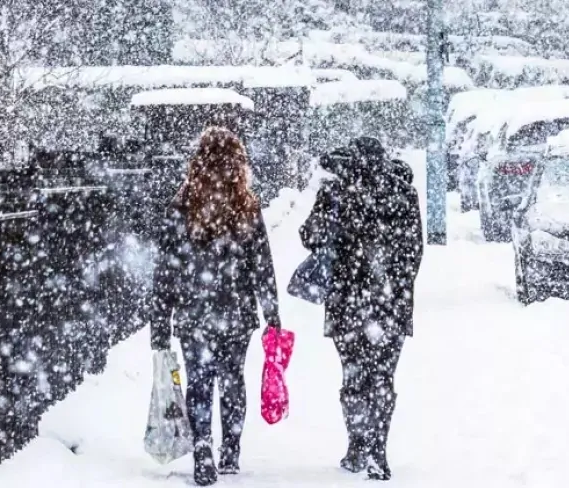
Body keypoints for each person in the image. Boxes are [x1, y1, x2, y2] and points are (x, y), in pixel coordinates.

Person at [149, 126, 282, 486]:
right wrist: (272, 314)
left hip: (195, 311)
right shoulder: (247, 205)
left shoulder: (182, 205)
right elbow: (262, 264)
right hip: (236, 311)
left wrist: (160, 324)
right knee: (232, 378)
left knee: (199, 381)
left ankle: (203, 447)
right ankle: (231, 449)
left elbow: (166, 270)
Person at [299, 137, 423, 481]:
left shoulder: (336, 193)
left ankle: (357, 445)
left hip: (346, 302)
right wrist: (395, 289)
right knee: (382, 377)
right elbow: (414, 252)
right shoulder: (403, 193)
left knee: (353, 375)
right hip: (390, 304)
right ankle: (378, 450)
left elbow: (309, 236)